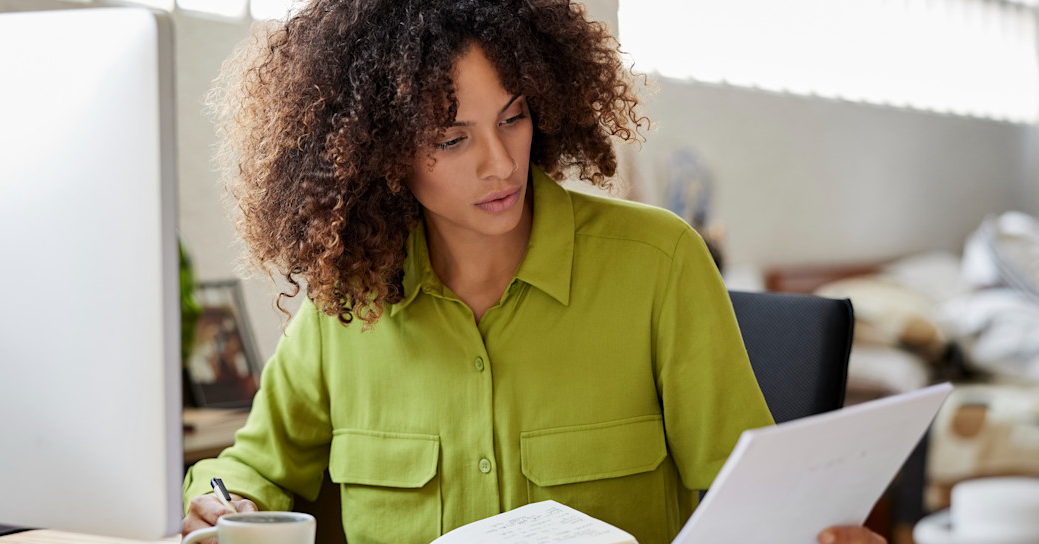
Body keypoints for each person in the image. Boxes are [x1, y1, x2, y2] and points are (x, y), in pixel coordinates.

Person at [183, 1, 886, 543]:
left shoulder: (660, 265)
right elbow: (250, 470)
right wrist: (223, 498)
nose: (500, 162)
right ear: (379, 154)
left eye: (513, 118)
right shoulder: (347, 308)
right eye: (452, 138)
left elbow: (760, 507)